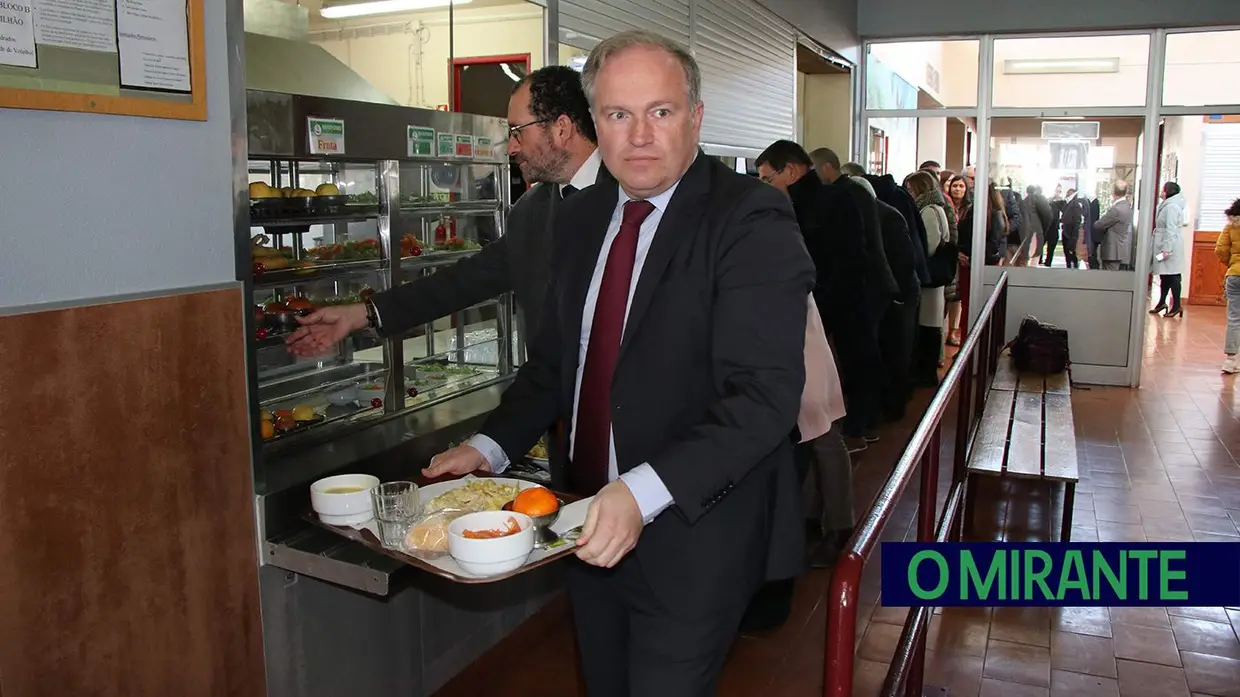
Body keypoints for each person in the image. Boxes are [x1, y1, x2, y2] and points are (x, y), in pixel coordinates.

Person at [422, 30, 816, 696]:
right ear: (593, 124)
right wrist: (488, 446)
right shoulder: (579, 221)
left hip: (694, 533)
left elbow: (764, 397)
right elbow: (555, 363)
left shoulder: (751, 218)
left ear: (695, 117)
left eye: (659, 112)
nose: (638, 135)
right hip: (585, 526)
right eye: (617, 114)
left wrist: (641, 490)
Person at [284, 65, 602, 354]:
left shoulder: (631, 201)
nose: (511, 148)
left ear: (562, 128)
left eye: (518, 131)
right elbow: (463, 282)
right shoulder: (532, 212)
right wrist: (364, 312)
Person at [904, 171, 951, 385]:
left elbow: (928, 245)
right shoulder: (937, 208)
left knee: (928, 325)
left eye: (911, 189)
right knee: (931, 324)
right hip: (935, 278)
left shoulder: (929, 211)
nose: (909, 193)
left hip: (930, 278)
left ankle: (926, 372)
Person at [1151, 181, 1188, 317]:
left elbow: (1171, 229)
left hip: (1170, 245)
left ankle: (1177, 305)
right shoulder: (1167, 205)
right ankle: (1162, 302)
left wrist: (1167, 248)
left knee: (1173, 275)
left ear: (1167, 191)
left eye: (1162, 189)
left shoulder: (1171, 207)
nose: (1161, 191)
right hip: (1165, 242)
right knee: (1164, 275)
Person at [1095, 181, 1134, 271]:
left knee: (1109, 278)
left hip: (1112, 249)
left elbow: (1099, 224)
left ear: (1113, 191)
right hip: (1118, 247)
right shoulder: (1126, 205)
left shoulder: (1117, 209)